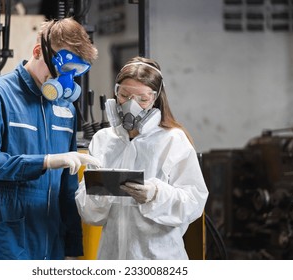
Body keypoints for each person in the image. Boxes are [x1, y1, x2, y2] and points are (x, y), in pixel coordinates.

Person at [0, 17, 101, 260]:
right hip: (5, 241)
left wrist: (71, 249)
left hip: (51, 242)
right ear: (38, 51)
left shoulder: (65, 110)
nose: (65, 80)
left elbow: (67, 189)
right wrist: (45, 161)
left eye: (74, 73)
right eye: (62, 69)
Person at [75, 56, 209, 260]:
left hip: (159, 259)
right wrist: (101, 192)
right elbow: (89, 213)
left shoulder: (173, 140)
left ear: (155, 99)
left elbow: (194, 202)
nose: (131, 105)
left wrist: (155, 195)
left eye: (142, 99)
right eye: (124, 95)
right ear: (115, 92)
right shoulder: (103, 140)